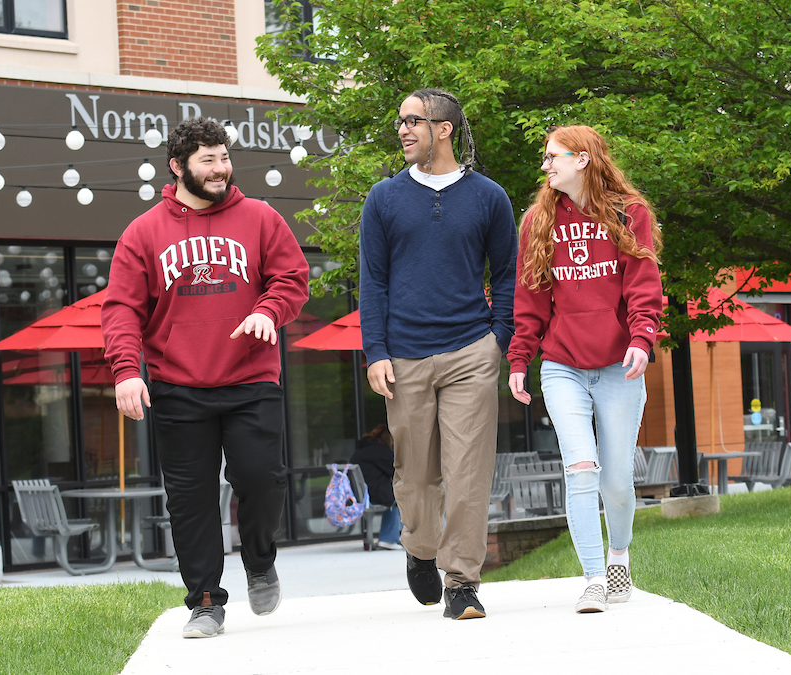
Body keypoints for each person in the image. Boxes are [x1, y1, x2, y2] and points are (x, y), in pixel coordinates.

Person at [102, 116, 310, 638]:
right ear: (177, 167)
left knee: (262, 481)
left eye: (224, 157)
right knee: (190, 500)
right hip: (179, 387)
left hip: (250, 380)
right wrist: (128, 370)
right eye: (208, 160)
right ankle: (205, 601)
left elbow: (292, 277)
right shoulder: (144, 233)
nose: (221, 169)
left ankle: (259, 559)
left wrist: (269, 310)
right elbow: (122, 308)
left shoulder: (260, 218)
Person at [359, 88, 517, 620]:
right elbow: (373, 281)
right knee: (415, 475)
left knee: (469, 471)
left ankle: (463, 582)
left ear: (444, 129)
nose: (402, 130)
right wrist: (375, 350)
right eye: (400, 121)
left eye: (412, 121)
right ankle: (420, 547)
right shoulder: (383, 198)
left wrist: (499, 337)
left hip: (472, 349)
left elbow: (508, 274)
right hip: (403, 355)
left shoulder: (489, 197)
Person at [507, 125, 663, 614]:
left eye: (553, 157)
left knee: (615, 479)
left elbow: (643, 284)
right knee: (580, 469)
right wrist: (519, 357)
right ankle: (593, 577)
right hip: (562, 366)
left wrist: (642, 338)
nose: (545, 166)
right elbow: (530, 297)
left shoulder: (627, 213)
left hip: (620, 365)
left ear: (583, 159)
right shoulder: (538, 220)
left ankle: (619, 555)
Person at [350, 424, 402, 549]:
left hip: (360, 495)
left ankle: (391, 536)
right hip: (374, 495)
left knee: (396, 495)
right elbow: (397, 472)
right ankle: (389, 538)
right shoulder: (381, 451)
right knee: (402, 496)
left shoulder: (362, 450)